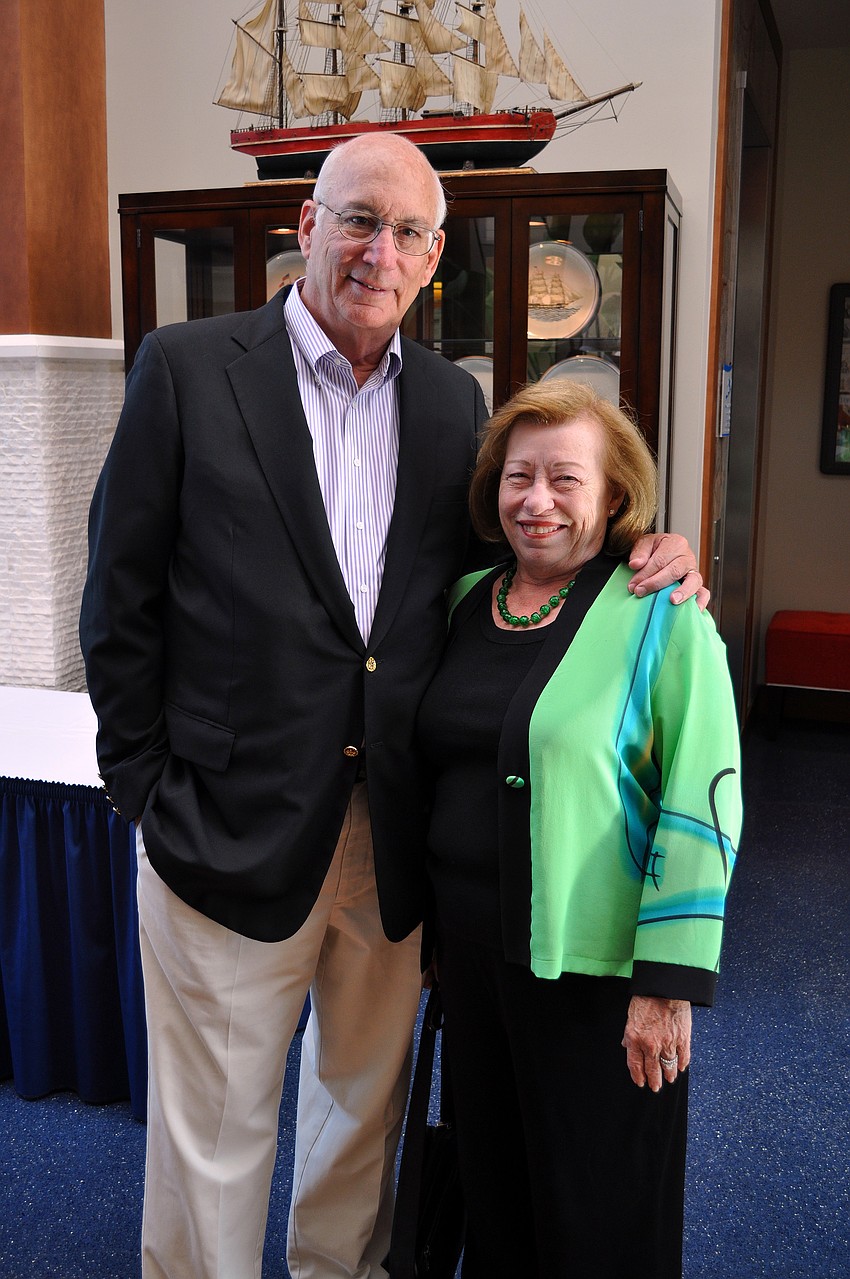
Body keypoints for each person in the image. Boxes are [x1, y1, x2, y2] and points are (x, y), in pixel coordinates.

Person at [79, 133, 704, 1279]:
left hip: (397, 845)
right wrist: (146, 789)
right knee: (213, 1141)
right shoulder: (186, 366)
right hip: (221, 827)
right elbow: (117, 601)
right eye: (359, 219)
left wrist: (640, 548)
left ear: (433, 261)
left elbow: (512, 560)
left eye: (411, 232)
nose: (383, 250)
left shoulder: (451, 404)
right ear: (305, 228)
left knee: (358, 1123)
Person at [417, 379, 743, 1278]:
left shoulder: (663, 616)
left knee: (600, 1217)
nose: (537, 500)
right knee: (500, 1202)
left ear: (614, 497)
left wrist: (667, 983)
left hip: (600, 980)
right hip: (474, 966)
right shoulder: (462, 602)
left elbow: (706, 797)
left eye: (567, 479)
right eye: (519, 476)